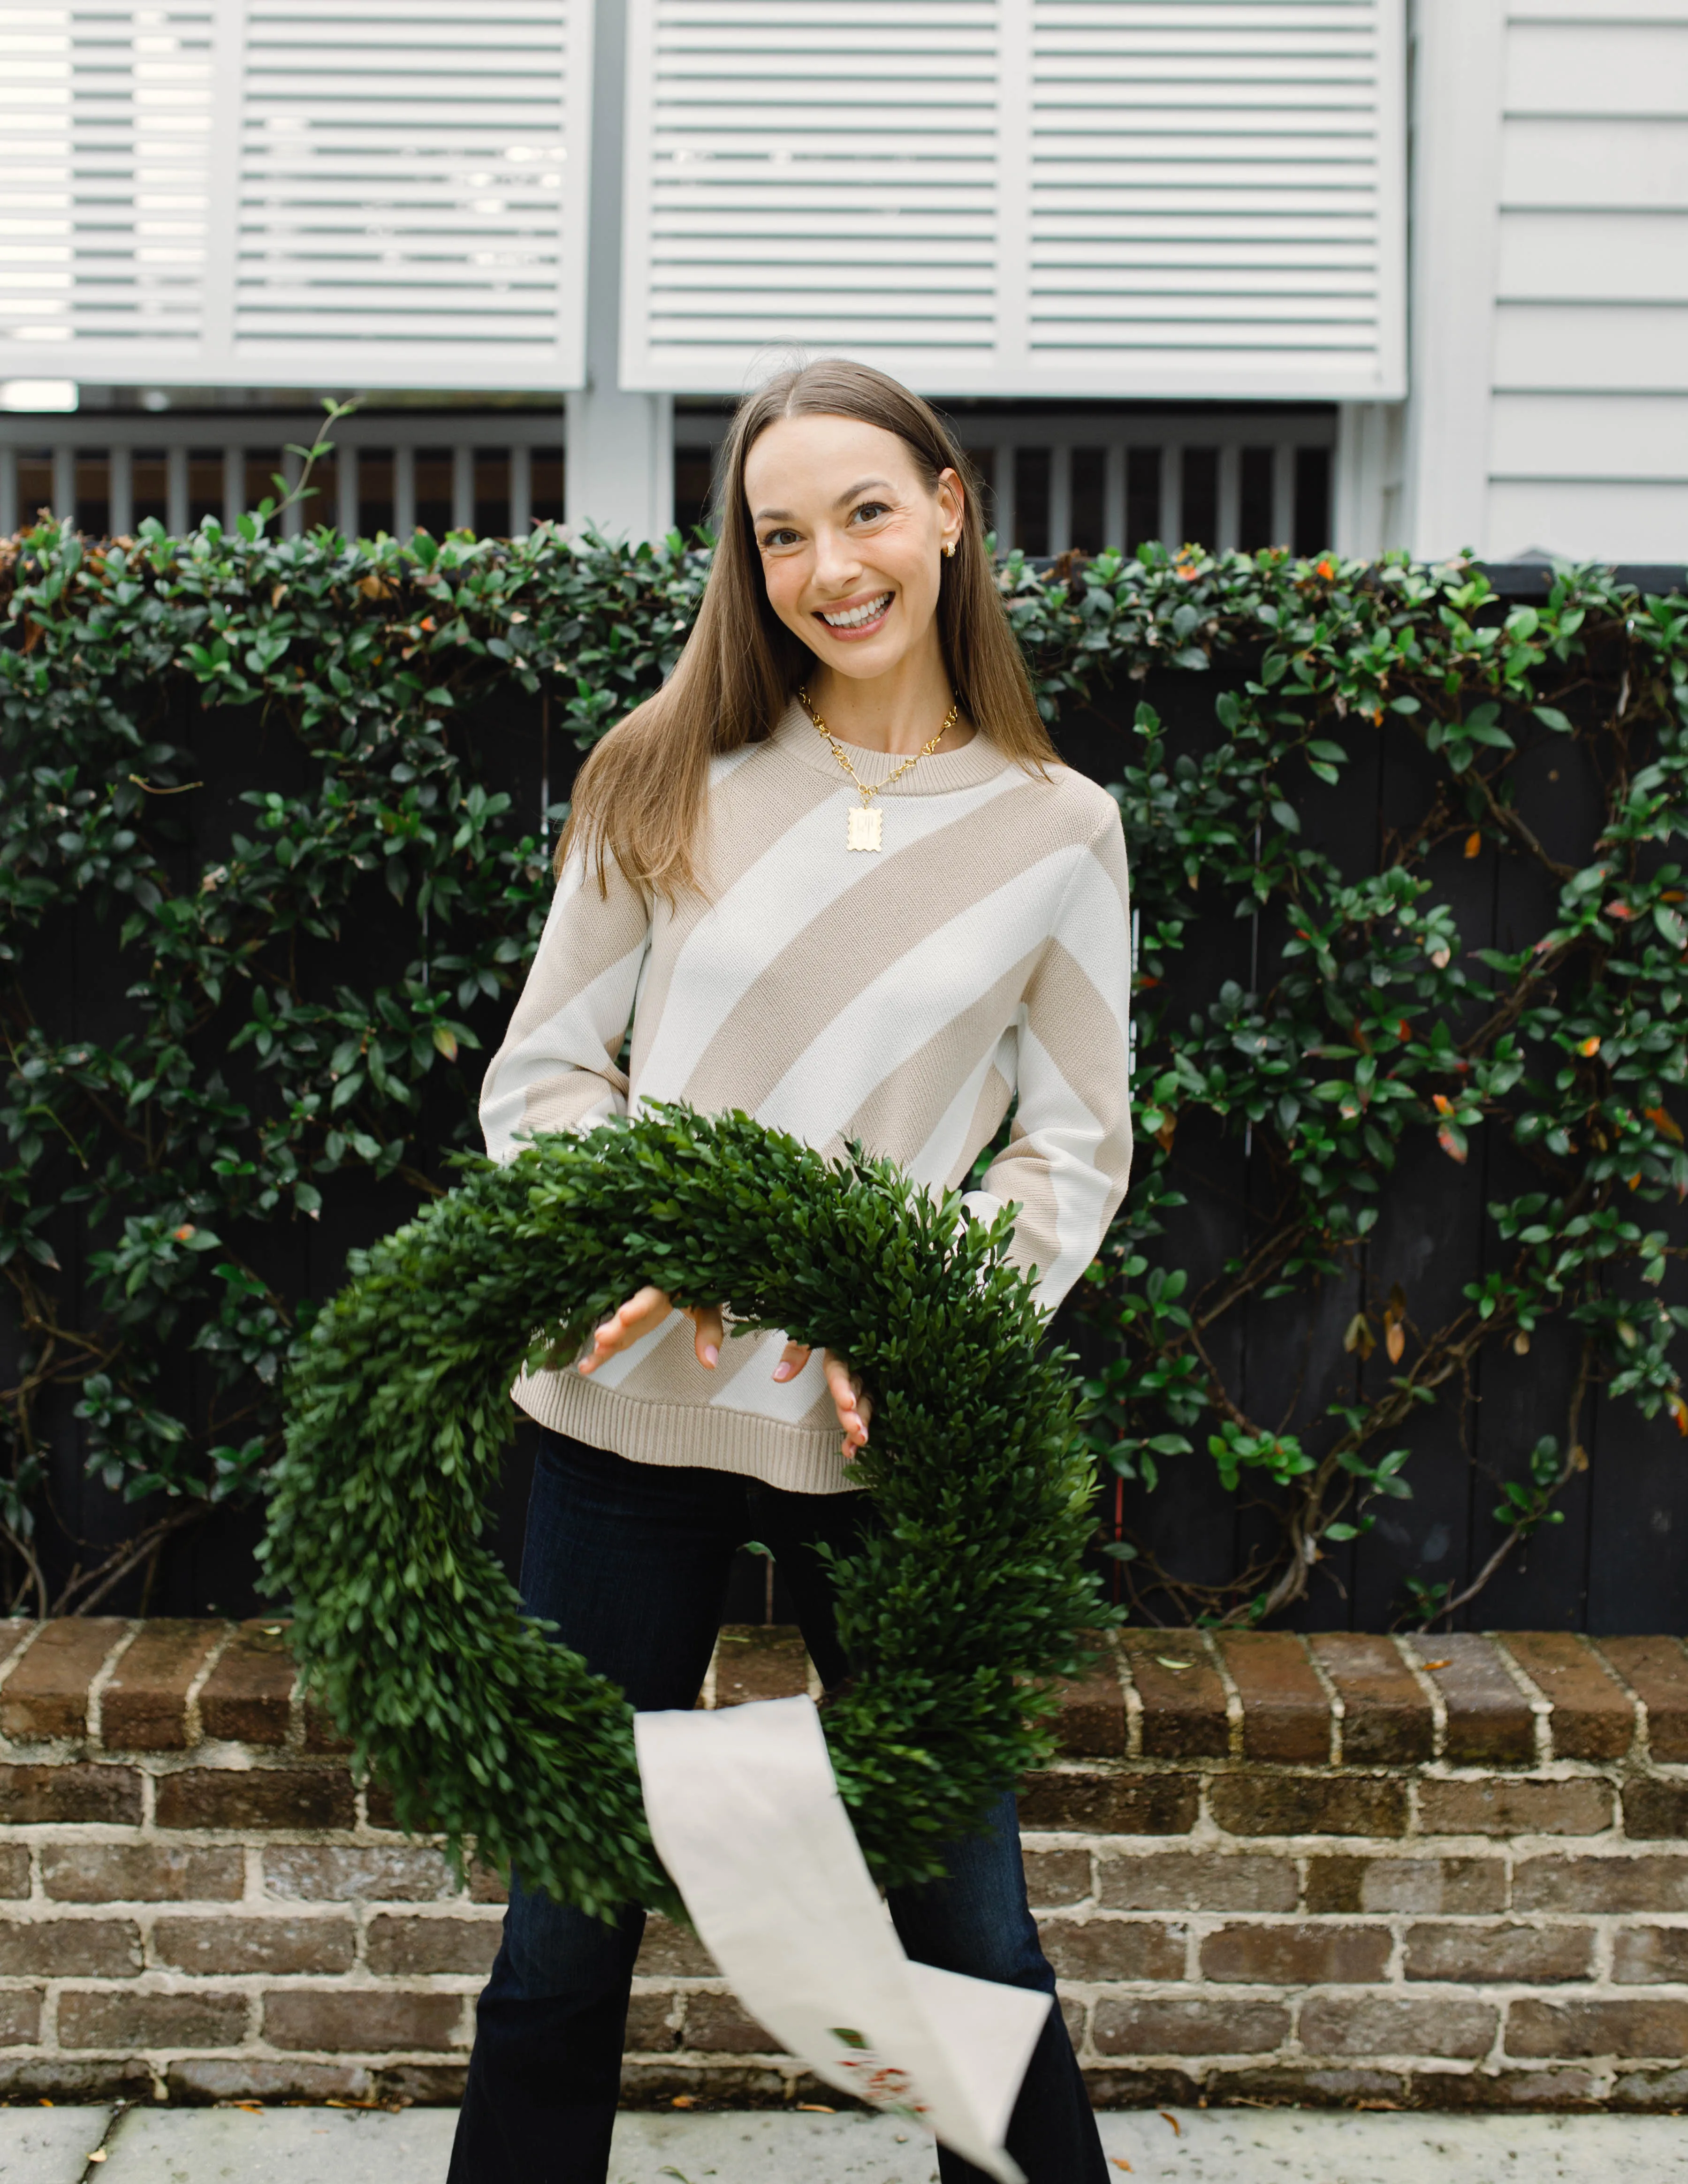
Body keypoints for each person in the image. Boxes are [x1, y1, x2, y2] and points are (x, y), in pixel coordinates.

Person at [450, 358, 1133, 2184]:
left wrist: (931, 1326)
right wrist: (631, 1241)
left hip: (891, 1438)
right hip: (624, 1415)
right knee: (557, 1944)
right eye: (778, 535)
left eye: (861, 514)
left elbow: (1067, 1144)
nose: (828, 564)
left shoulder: (1057, 829)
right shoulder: (662, 775)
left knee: (968, 1935)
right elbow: (545, 1076)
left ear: (945, 509)